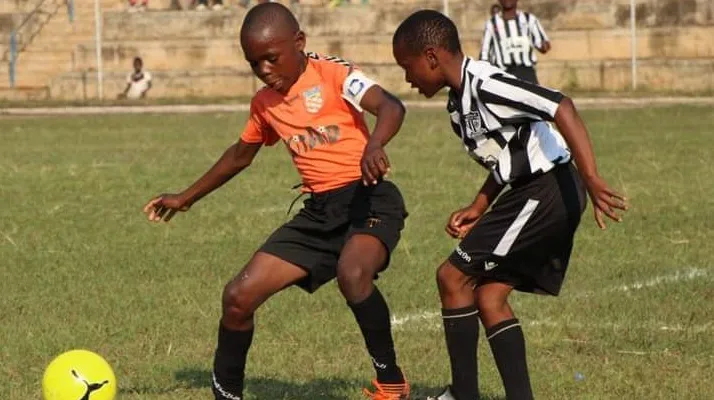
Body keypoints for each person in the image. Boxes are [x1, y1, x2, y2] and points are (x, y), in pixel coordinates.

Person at [143, 3, 410, 400]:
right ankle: (227, 394)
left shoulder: (334, 74)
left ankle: (391, 383)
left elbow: (391, 105)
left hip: (368, 199)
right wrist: (186, 198)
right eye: (254, 63)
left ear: (299, 42)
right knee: (238, 297)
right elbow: (240, 155)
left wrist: (374, 143)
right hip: (319, 213)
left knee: (353, 274)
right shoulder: (264, 103)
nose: (265, 70)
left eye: (271, 58)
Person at [392, 10, 627, 400]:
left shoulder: (486, 83)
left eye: (407, 66)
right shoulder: (457, 106)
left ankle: (462, 395)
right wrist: (479, 203)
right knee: (488, 295)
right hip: (534, 191)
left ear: (431, 56)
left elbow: (560, 105)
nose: (407, 78)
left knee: (452, 277)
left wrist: (592, 176)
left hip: (548, 189)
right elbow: (511, 153)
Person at [479, 0, 550, 84]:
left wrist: (544, 45)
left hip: (527, 73)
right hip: (503, 75)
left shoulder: (528, 19)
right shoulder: (491, 24)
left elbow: (542, 44)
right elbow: (484, 54)